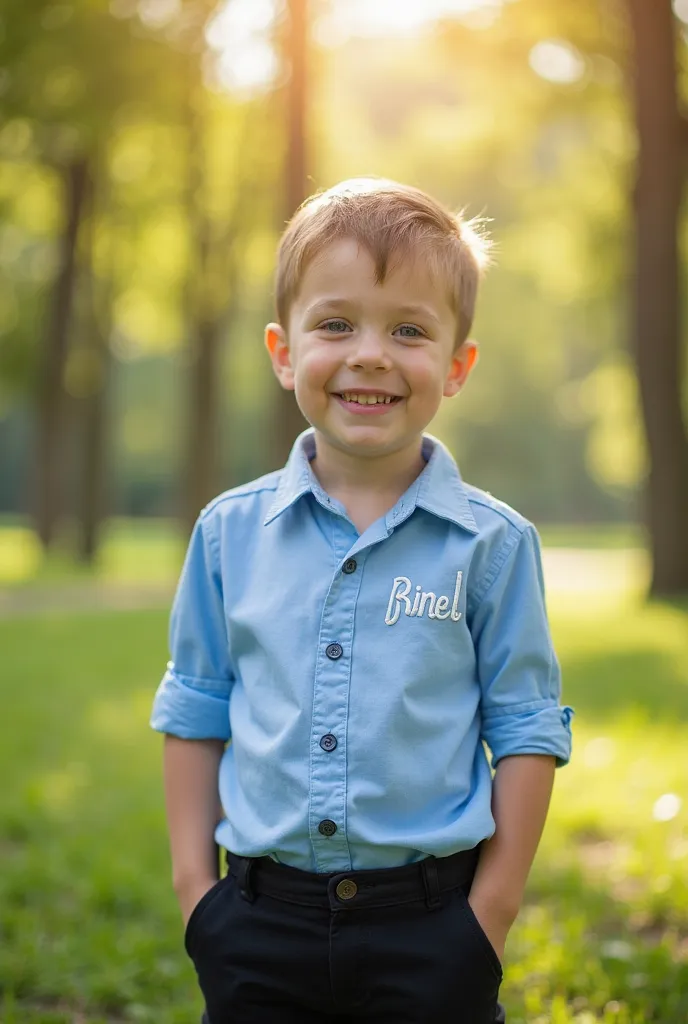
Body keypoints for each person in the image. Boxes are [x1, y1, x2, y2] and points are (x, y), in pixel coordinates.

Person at [150, 177, 574, 1024]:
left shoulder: (492, 545)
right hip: (260, 922)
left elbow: (525, 726)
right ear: (283, 351)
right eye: (336, 324)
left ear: (457, 367)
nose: (371, 354)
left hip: (431, 927)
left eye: (409, 330)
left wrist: (489, 915)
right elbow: (197, 706)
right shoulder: (229, 534)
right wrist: (198, 893)